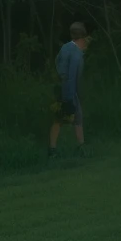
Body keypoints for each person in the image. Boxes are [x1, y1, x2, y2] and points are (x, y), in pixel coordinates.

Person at [48, 21, 90, 161]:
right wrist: (69, 97)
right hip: (69, 91)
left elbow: (57, 63)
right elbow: (71, 77)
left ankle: (52, 149)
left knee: (59, 118)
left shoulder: (65, 48)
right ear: (82, 38)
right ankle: (81, 148)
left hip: (59, 88)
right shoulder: (76, 54)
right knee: (76, 117)